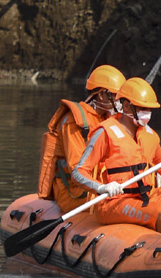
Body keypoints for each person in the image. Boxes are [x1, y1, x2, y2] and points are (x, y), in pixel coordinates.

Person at [72, 77, 161, 234]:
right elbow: (78, 172)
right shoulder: (105, 132)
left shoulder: (150, 136)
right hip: (114, 202)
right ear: (126, 107)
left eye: (150, 109)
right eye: (143, 108)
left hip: (146, 196)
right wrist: (101, 187)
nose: (148, 113)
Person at [37, 64, 125, 213]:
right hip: (75, 194)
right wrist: (101, 188)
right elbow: (77, 170)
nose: (120, 101)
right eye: (117, 96)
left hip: (101, 188)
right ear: (102, 95)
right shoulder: (74, 122)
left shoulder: (107, 119)